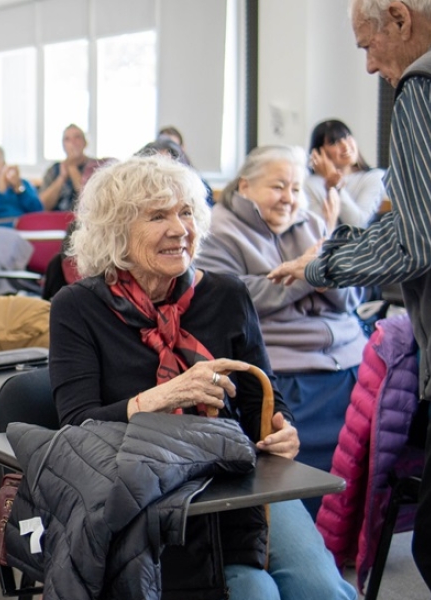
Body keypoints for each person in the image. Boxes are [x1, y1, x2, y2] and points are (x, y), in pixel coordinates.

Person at [50, 154, 355, 599]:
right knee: (253, 591)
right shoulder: (76, 307)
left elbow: (260, 399)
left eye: (187, 212)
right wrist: (160, 397)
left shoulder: (227, 293)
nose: (180, 229)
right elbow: (76, 428)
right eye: (158, 216)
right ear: (116, 231)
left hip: (235, 471)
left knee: (322, 588)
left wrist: (280, 427)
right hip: (145, 490)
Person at [268, 2, 431, 597]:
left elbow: (416, 238)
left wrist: (323, 261)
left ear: (400, 16)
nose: (365, 66)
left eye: (366, 45)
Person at [195, 146, 366, 502]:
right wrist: (309, 274)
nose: (289, 198)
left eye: (296, 188)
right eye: (277, 186)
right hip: (286, 372)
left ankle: (344, 547)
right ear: (244, 186)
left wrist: (318, 275)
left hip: (349, 363)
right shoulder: (216, 232)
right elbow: (238, 299)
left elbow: (353, 297)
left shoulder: (315, 223)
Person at [305, 119, 388, 227]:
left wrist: (336, 186)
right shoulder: (310, 183)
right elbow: (317, 230)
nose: (345, 146)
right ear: (319, 152)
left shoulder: (374, 177)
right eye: (334, 142)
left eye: (346, 137)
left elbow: (357, 224)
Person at [39, 124, 95, 211]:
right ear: (63, 145)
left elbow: (91, 202)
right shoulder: (54, 170)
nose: (73, 142)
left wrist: (72, 167)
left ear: (85, 143)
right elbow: (41, 205)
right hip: (57, 220)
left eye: (77, 137)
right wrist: (61, 178)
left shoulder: (95, 167)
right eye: (67, 139)